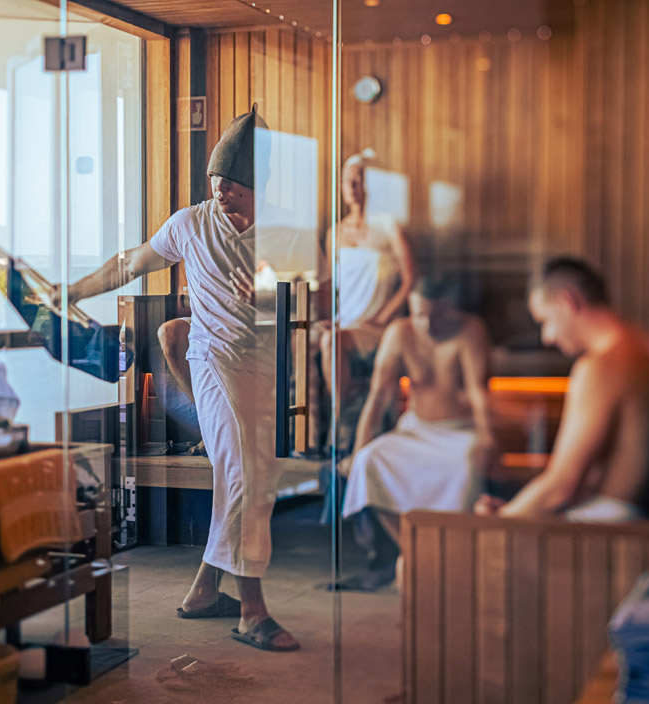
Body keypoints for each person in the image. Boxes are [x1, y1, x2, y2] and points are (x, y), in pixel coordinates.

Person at [55, 106, 299, 652]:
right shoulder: (190, 223)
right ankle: (253, 612)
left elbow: (316, 296)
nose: (220, 191)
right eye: (215, 180)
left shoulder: (284, 231)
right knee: (244, 473)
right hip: (213, 362)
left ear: (257, 186)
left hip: (264, 370)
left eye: (232, 184)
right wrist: (73, 291)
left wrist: (269, 295)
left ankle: (204, 592)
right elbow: (129, 263)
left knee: (249, 478)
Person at [328, 272, 495, 591]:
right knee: (369, 461)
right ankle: (416, 553)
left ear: (449, 308)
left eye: (436, 315)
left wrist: (487, 438)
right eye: (419, 315)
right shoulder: (399, 334)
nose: (428, 324)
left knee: (466, 465)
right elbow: (378, 397)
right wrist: (358, 450)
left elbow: (477, 392)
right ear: (410, 309)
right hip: (416, 430)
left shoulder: (469, 330)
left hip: (460, 433)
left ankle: (451, 558)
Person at [474, 258, 649, 522]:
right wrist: (516, 509)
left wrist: (500, 519)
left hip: (610, 519)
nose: (547, 337)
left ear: (567, 302)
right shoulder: (642, 348)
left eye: (545, 320)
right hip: (629, 517)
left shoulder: (600, 367)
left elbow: (560, 488)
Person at [320, 151, 417, 449]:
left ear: (370, 184)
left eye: (358, 179)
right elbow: (333, 286)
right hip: (347, 324)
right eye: (346, 180)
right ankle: (334, 420)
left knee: (330, 341)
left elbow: (410, 279)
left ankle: (339, 427)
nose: (352, 186)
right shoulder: (335, 233)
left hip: (378, 326)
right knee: (322, 338)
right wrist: (331, 316)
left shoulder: (388, 227)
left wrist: (384, 316)